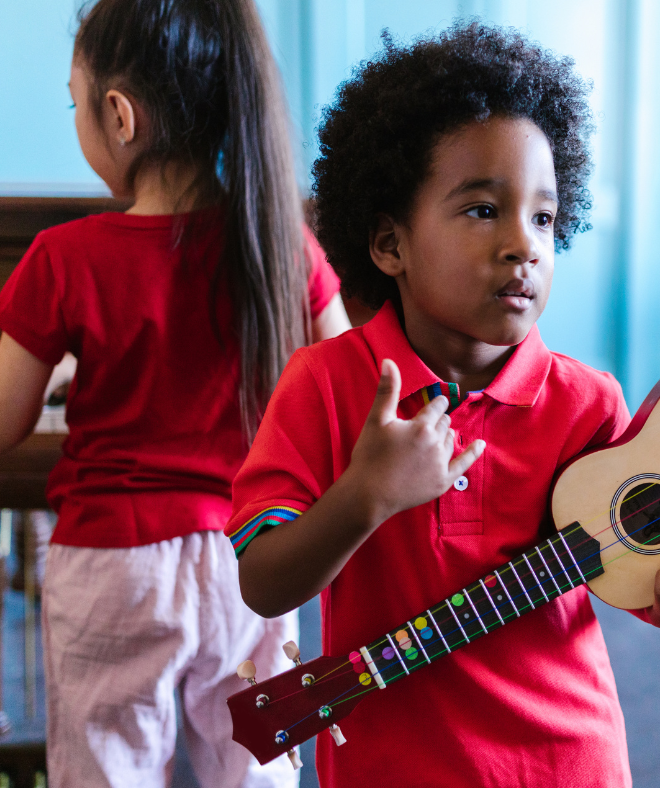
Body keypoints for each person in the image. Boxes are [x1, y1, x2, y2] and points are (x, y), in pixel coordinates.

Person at [227, 23, 660, 787]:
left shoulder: (586, 402)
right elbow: (262, 582)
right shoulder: (323, 385)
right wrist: (365, 496)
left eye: (544, 218)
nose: (525, 244)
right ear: (389, 244)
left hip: (566, 759)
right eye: (484, 210)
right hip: (396, 767)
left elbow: (627, 562)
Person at [0, 1, 350, 785]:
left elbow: (4, 420)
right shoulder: (282, 243)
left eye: (75, 102)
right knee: (255, 766)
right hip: (249, 559)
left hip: (111, 566)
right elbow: (345, 390)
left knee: (106, 767)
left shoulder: (64, 259)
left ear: (119, 116)